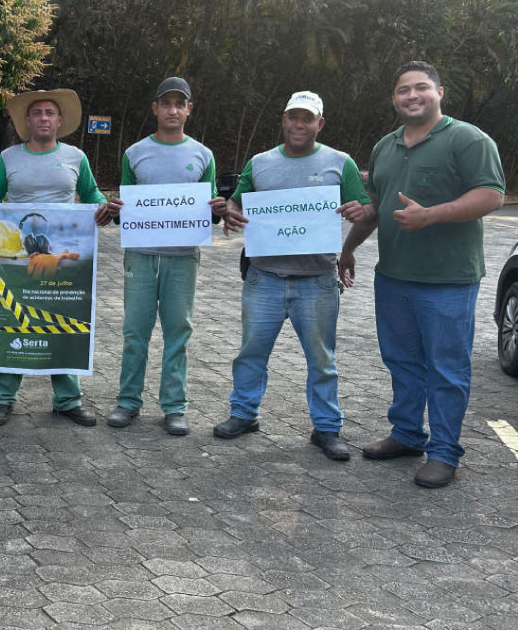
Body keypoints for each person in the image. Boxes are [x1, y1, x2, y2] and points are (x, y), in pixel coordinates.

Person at [339, 61, 504, 487]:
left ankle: (445, 452)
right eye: (403, 91)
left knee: (447, 368)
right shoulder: (385, 147)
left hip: (448, 280)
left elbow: (491, 195)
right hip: (393, 275)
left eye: (421, 88)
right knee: (402, 362)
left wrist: (431, 216)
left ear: (439, 92)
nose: (412, 96)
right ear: (394, 99)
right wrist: (349, 246)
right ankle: (407, 434)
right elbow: (377, 206)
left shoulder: (467, 139)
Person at [210, 91, 371, 461]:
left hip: (316, 280)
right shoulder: (260, 163)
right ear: (283, 121)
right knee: (251, 352)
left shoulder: (340, 162)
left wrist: (356, 209)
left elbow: (363, 206)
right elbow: (237, 199)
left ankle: (327, 428)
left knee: (321, 359)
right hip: (264, 277)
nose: (299, 124)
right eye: (293, 117)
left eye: (307, 118)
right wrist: (231, 210)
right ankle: (244, 414)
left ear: (320, 123)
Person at [0, 88, 119, 427]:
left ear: (60, 120)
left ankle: (67, 400)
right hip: (17, 257)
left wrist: (104, 206)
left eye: (50, 113)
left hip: (61, 260)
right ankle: (3, 398)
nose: (44, 118)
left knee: (62, 323)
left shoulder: (76, 157)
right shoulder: (9, 158)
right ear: (28, 121)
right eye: (37, 113)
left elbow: (91, 195)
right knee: (12, 321)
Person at [106, 77, 213, 436]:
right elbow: (124, 206)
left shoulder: (203, 155)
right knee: (135, 331)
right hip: (140, 254)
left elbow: (209, 206)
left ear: (189, 110)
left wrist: (215, 208)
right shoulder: (135, 153)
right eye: (165, 103)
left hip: (183, 257)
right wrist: (117, 207)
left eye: (179, 104)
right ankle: (128, 402)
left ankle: (174, 406)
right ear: (154, 108)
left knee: (178, 331)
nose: (172, 110)